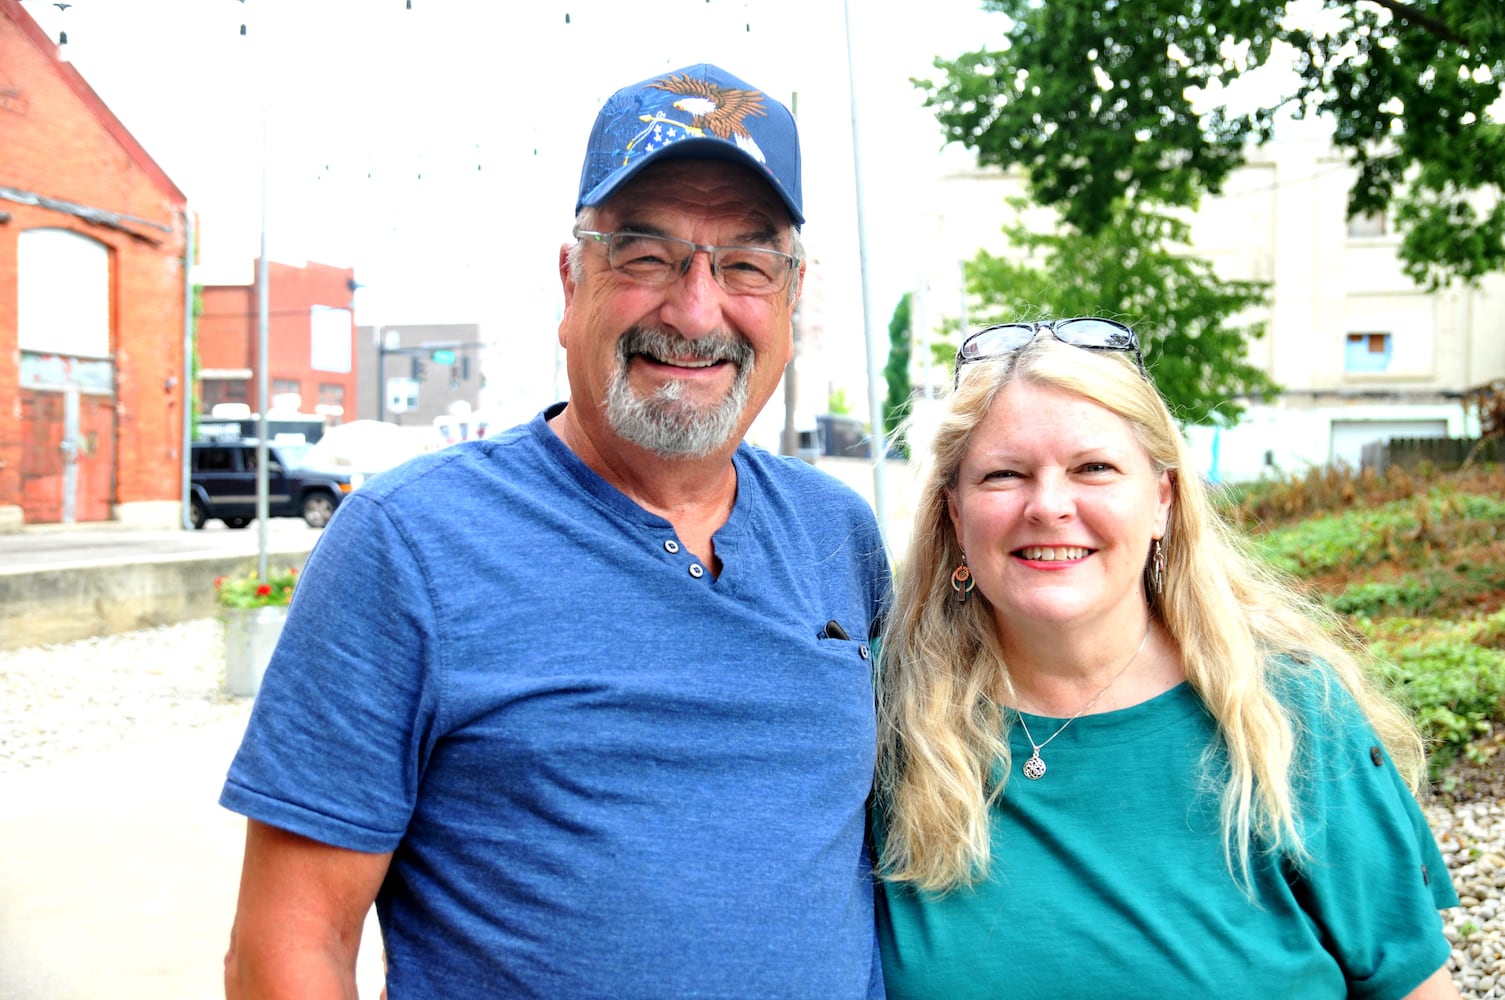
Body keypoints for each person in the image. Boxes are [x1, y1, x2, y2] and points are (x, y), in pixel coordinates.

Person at [220, 64, 891, 999]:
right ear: (572, 279)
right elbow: (288, 945)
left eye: (744, 264)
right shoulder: (410, 543)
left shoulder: (837, 534)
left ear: (790, 299)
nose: (695, 310)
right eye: (647, 257)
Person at [871, 318, 1460, 998]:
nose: (1049, 506)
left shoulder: (1290, 717)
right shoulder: (882, 715)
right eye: (1004, 474)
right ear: (953, 514)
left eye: (1093, 468)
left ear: (1161, 501)